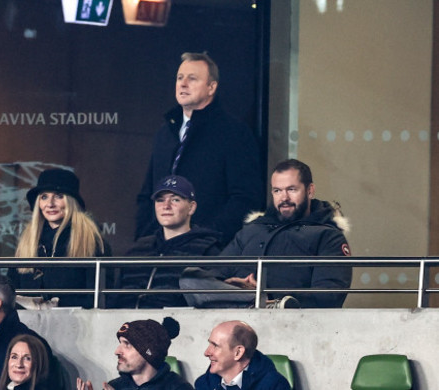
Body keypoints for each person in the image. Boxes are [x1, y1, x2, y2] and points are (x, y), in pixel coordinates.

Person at [181, 159, 352, 308]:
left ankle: (264, 304)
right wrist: (235, 289)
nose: (283, 197)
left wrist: (265, 294)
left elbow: (329, 296)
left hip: (290, 320)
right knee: (190, 278)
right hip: (233, 323)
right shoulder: (252, 230)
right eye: (277, 191)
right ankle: (251, 303)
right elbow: (214, 273)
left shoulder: (328, 236)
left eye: (291, 189)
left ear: (310, 190)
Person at [135, 52, 263, 246]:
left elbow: (246, 197)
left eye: (192, 78)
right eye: (179, 78)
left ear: (211, 87)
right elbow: (148, 194)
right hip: (159, 250)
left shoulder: (234, 132)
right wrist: (144, 239)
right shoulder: (165, 133)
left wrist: (207, 238)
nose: (183, 84)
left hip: (208, 253)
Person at [115, 175, 223, 308]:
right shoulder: (137, 249)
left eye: (175, 200)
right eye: (160, 200)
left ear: (191, 207)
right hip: (125, 324)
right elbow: (117, 297)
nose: (166, 206)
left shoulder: (207, 251)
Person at [14, 168, 110, 308]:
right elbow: (12, 288)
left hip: (77, 324)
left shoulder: (90, 241)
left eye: (59, 196)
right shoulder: (27, 240)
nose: (50, 203)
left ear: (71, 202)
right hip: (28, 324)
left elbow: (101, 298)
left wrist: (58, 306)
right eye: (44, 197)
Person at [76, 317, 193, 390]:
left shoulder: (178, 387)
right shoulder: (115, 386)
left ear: (148, 353)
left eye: (127, 344)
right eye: (120, 343)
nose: (117, 351)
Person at [195, 321, 290, 390]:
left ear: (238, 353)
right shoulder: (203, 384)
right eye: (209, 344)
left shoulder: (275, 385)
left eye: (215, 345)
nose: (206, 352)